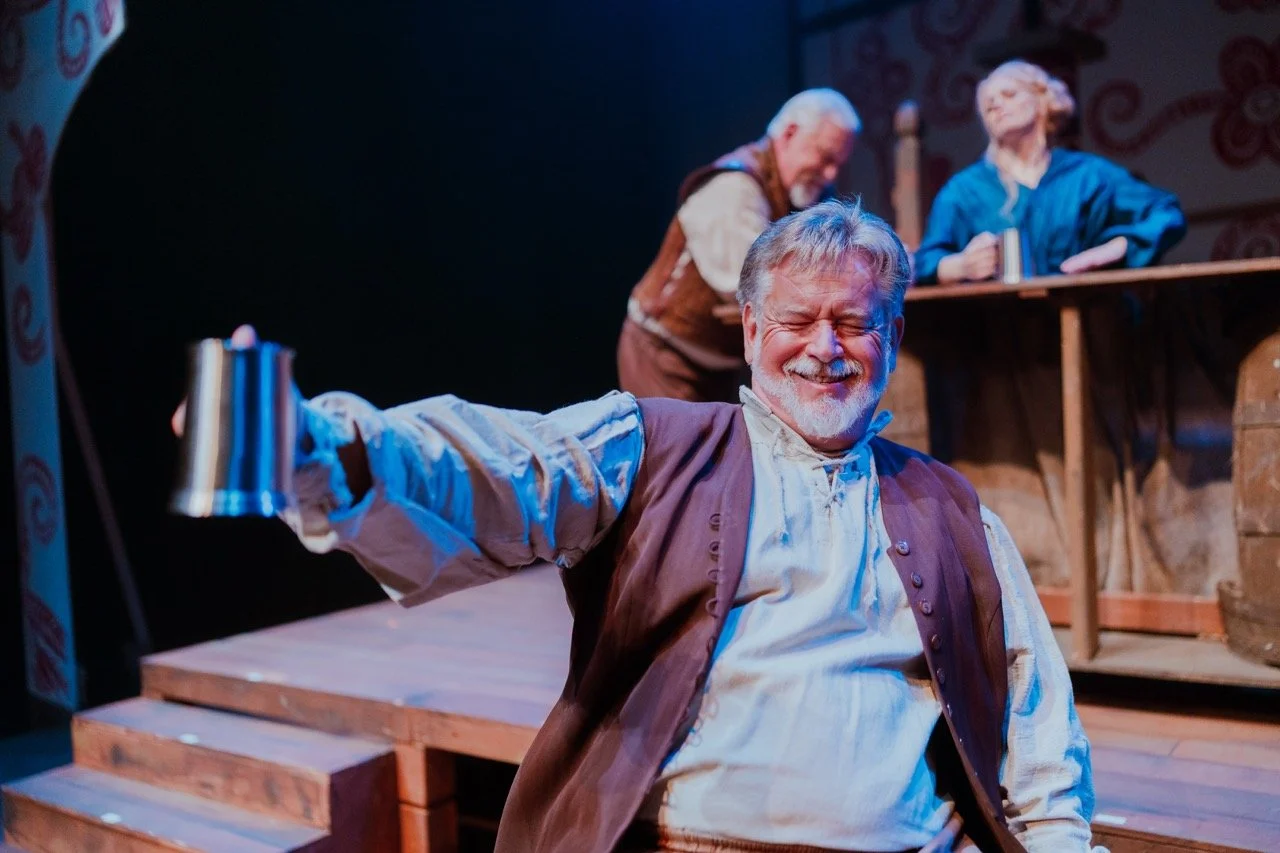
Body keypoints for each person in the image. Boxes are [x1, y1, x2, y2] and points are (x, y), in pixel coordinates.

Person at [176, 201, 1098, 853]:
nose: (826, 347)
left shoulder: (951, 507)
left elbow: (1034, 717)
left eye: (856, 322)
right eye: (798, 319)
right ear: (749, 331)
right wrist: (317, 440)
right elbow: (503, 466)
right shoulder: (651, 444)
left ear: (892, 338)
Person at [617, 88, 859, 402]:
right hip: (666, 355)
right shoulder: (734, 188)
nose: (830, 175)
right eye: (825, 157)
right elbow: (751, 285)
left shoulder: (798, 196)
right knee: (675, 449)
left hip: (719, 364)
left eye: (838, 164)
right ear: (789, 133)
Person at [914, 60, 1185, 285]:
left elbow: (1166, 212)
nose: (996, 106)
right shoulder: (964, 190)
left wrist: (1115, 249)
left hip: (1089, 322)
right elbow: (924, 262)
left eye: (1009, 95)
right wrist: (961, 265)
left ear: (1042, 101)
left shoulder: (1088, 175)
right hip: (1000, 332)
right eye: (988, 105)